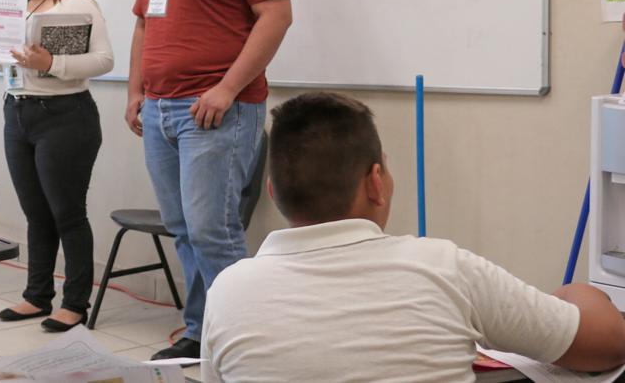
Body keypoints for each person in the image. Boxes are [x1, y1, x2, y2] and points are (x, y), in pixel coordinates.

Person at [201, 92, 625, 382]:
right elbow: (609, 344)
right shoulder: (443, 268)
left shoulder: (228, 291)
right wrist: (578, 295)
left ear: (274, 194)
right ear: (376, 182)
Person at [125, 0, 293, 359]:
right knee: (182, 229)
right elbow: (142, 25)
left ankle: (242, 340)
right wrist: (136, 91)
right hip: (159, 111)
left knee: (212, 230)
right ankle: (202, 332)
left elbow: (277, 16)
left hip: (215, 111)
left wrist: (226, 88)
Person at [0, 0, 113, 332]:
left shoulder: (77, 2)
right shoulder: (8, 2)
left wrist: (51, 62)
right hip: (17, 112)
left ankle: (74, 302)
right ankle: (37, 296)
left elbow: (104, 60)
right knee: (36, 213)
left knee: (67, 213)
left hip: (65, 116)